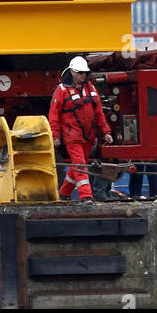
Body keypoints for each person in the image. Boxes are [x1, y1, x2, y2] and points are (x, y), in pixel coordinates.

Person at [49, 55, 113, 203]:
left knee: (78, 165)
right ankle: (86, 196)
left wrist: (106, 132)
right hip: (73, 136)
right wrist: (55, 136)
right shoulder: (62, 90)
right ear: (72, 72)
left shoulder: (90, 88)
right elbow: (54, 115)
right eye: (80, 73)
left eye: (85, 73)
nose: (83, 75)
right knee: (80, 164)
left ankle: (64, 193)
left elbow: (98, 113)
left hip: (89, 137)